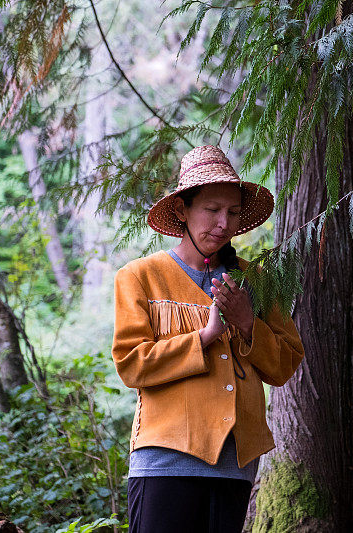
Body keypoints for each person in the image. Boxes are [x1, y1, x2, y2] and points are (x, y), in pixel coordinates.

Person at [111, 145, 305, 532]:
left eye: (233, 213)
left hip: (235, 464)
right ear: (182, 210)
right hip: (164, 460)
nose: (223, 223)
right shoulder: (140, 276)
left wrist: (249, 324)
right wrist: (207, 335)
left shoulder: (258, 281)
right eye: (212, 210)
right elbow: (131, 364)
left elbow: (285, 365)